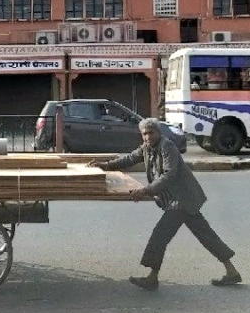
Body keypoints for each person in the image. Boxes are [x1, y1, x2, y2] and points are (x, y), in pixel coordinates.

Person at [88, 117, 241, 291]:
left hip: (182, 199)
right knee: (206, 235)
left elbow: (169, 174)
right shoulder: (147, 148)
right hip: (176, 200)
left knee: (160, 235)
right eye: (144, 134)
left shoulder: (167, 146)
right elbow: (129, 159)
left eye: (151, 133)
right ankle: (232, 271)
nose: (147, 137)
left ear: (158, 132)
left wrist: (145, 190)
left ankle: (152, 278)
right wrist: (105, 165)